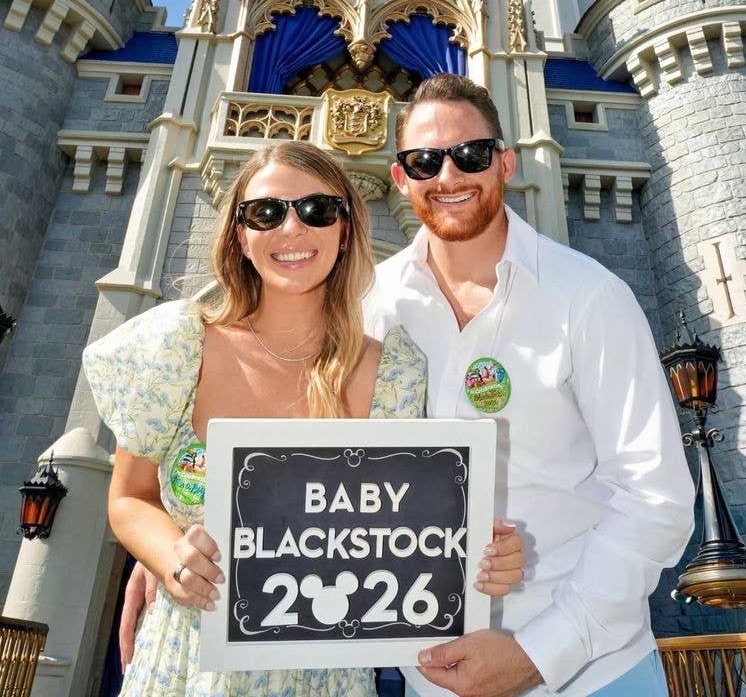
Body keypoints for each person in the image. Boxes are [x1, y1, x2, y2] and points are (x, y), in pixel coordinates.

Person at [84, 140, 523, 697]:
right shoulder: (175, 347)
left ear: (344, 229)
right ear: (240, 235)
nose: (292, 228)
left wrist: (477, 553)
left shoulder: (395, 372)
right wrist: (171, 557)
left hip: (329, 679)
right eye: (267, 212)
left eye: (317, 210)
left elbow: (402, 528)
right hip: (186, 668)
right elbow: (130, 498)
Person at [362, 74, 696, 697]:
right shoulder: (369, 306)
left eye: (471, 154)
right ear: (401, 176)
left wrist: (539, 653)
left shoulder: (589, 297)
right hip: (434, 678)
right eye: (425, 160)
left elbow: (657, 497)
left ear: (505, 163)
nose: (449, 176)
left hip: (594, 676)